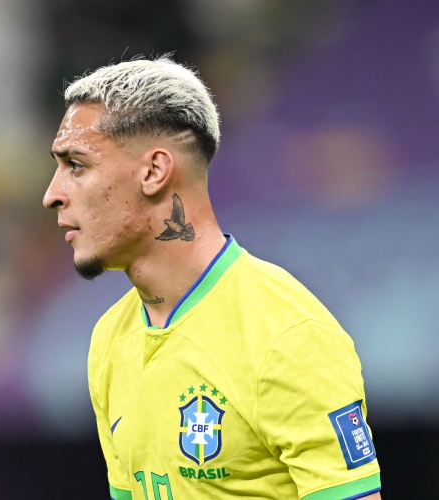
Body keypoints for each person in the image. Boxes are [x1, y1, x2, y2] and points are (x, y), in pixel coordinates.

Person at [42, 56, 381, 499]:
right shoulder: (110, 338)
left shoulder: (288, 335)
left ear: (153, 172)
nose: (52, 194)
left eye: (76, 165)